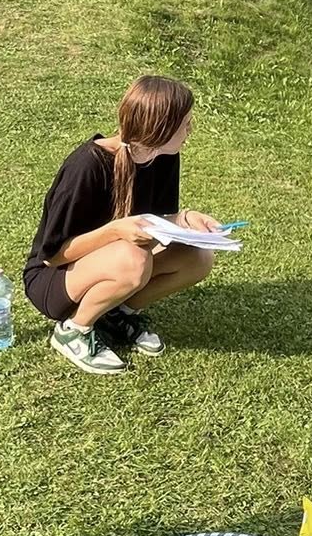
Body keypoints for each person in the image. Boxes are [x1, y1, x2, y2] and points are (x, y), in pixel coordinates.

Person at [23, 75, 223, 375]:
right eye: (185, 123)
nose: (190, 130)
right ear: (161, 128)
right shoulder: (86, 166)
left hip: (112, 262)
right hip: (53, 280)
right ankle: (74, 330)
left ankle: (115, 314)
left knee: (198, 257)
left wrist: (185, 219)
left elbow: (154, 220)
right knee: (133, 258)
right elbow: (53, 255)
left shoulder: (163, 156)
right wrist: (116, 230)